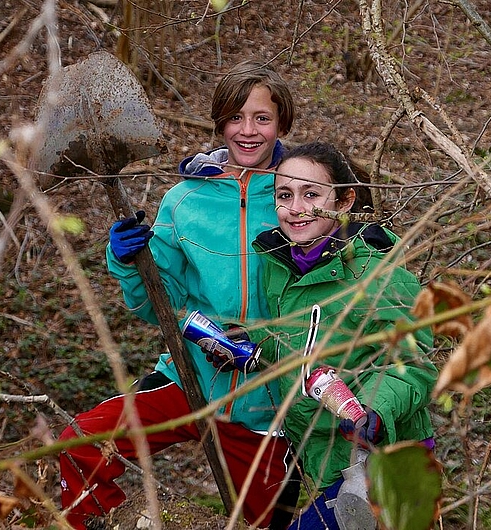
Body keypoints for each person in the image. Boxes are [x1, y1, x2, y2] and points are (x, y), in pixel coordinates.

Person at [57, 60, 299, 529]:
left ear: (282, 123)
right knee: (82, 443)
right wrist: (129, 261)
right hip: (189, 378)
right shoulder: (184, 200)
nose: (247, 131)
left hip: (266, 405)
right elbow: (156, 304)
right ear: (219, 123)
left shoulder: (301, 194)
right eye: (235, 117)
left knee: (271, 524)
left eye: (262, 118)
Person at [251, 142, 438, 529]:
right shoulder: (277, 265)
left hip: (384, 458)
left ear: (343, 201)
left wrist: (372, 406)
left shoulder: (376, 272)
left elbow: (412, 360)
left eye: (312, 194)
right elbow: (299, 343)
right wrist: (254, 348)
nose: (296, 208)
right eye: (285, 195)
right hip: (323, 458)